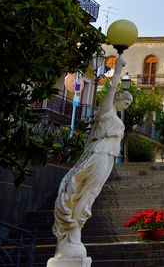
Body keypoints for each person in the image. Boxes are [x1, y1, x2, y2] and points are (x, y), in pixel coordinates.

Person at [51, 58, 133, 261]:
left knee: (91, 194)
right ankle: (71, 233)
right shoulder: (107, 110)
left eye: (129, 104)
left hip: (109, 156)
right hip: (100, 153)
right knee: (85, 192)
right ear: (118, 99)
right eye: (126, 101)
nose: (126, 106)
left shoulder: (115, 115)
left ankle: (74, 231)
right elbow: (111, 88)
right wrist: (118, 69)